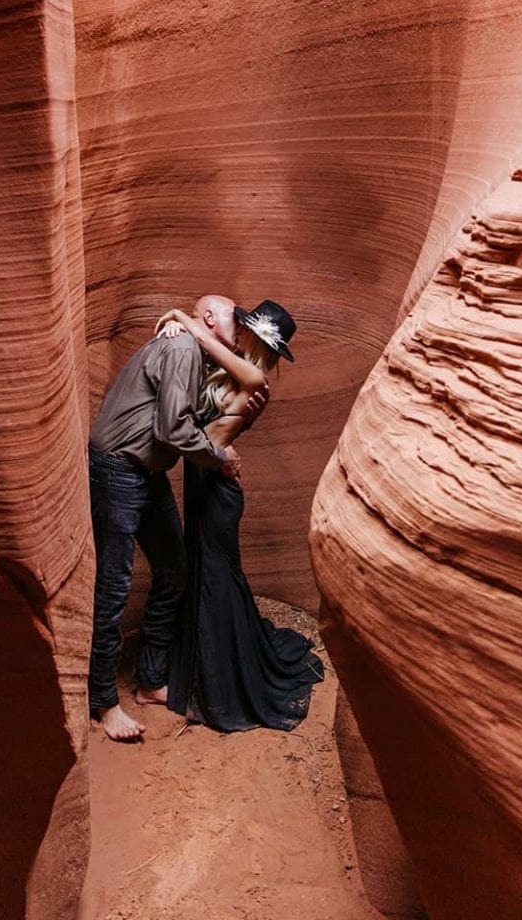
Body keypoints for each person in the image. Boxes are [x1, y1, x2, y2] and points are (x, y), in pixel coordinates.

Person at [86, 294, 268, 742]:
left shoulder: (195, 350)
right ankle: (104, 701)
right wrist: (219, 456)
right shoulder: (184, 349)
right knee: (114, 584)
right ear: (208, 319)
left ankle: (149, 681)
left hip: (146, 473)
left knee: (173, 570)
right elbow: (172, 429)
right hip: (118, 470)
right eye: (234, 321)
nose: (240, 330)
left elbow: (190, 416)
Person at [155, 300, 325, 733]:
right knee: (206, 573)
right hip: (204, 483)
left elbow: (225, 376)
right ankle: (203, 668)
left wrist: (184, 321)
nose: (240, 333)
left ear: (256, 340)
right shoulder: (231, 376)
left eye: (247, 331)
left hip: (217, 495)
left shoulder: (254, 379)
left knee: (215, 579)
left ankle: (220, 688)